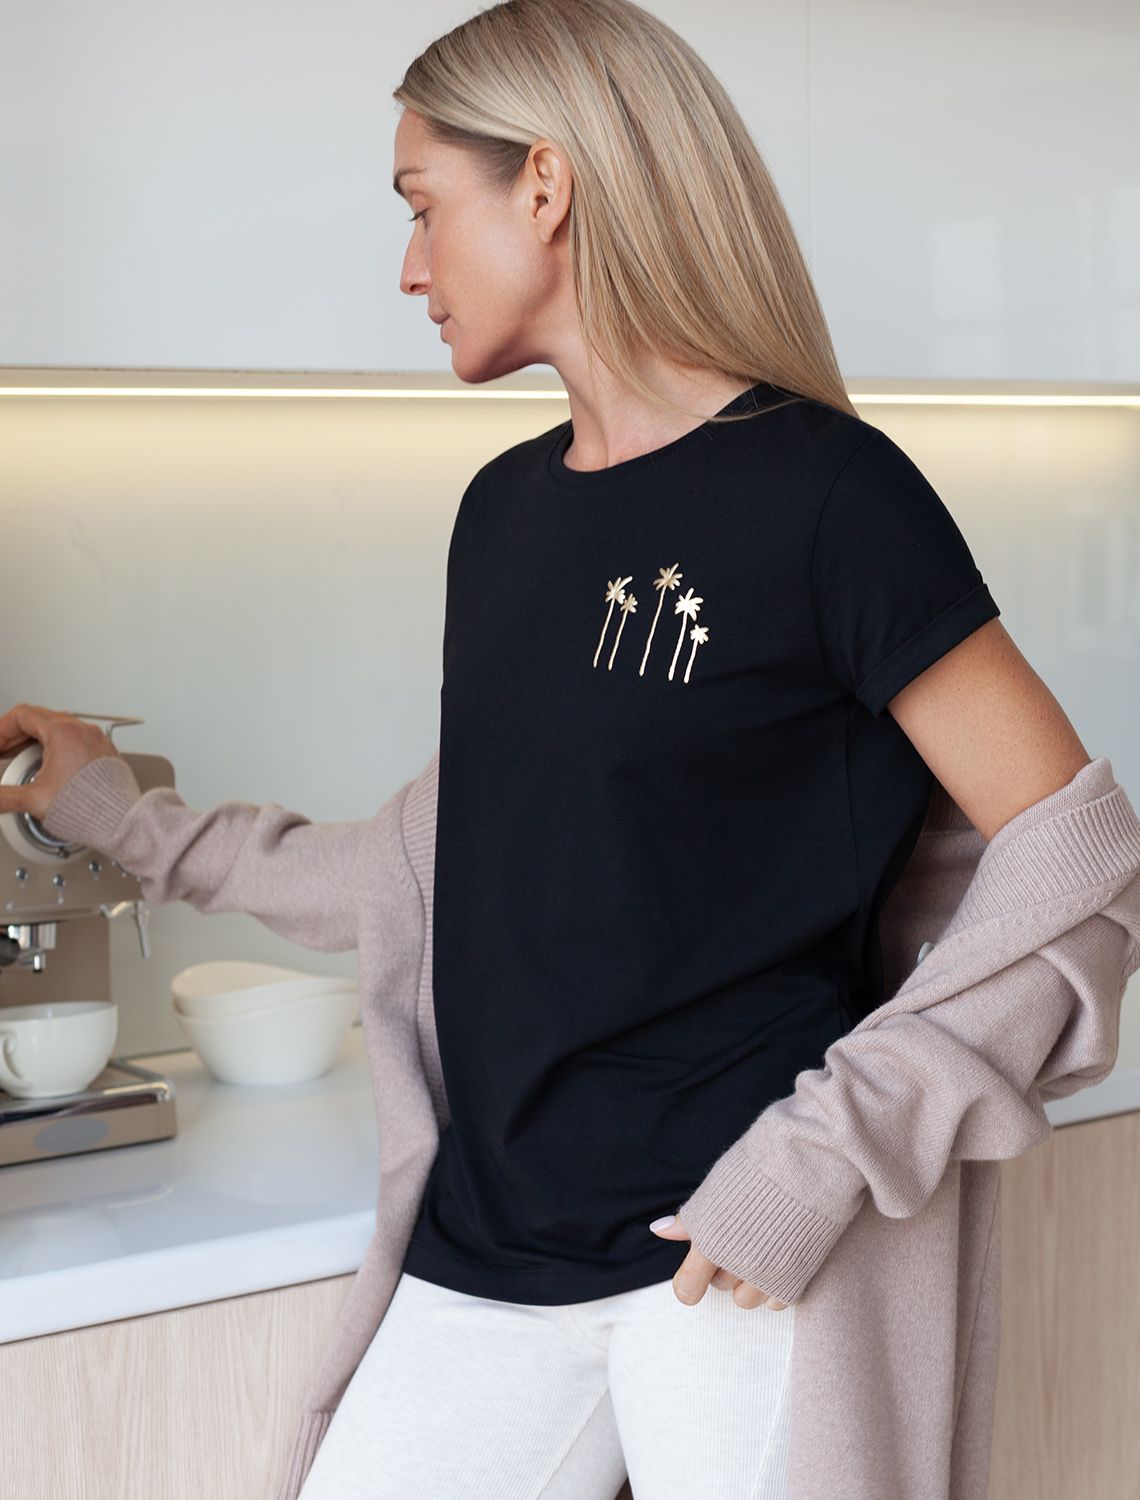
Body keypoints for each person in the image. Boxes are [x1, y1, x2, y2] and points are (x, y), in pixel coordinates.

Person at [0, 1, 1094, 1496]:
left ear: (547, 186)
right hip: (491, 1244)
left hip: (732, 1253)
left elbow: (1077, 859)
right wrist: (116, 814)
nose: (408, 268)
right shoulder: (503, 517)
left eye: (420, 207)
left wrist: (813, 1163)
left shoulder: (833, 497)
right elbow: (441, 865)